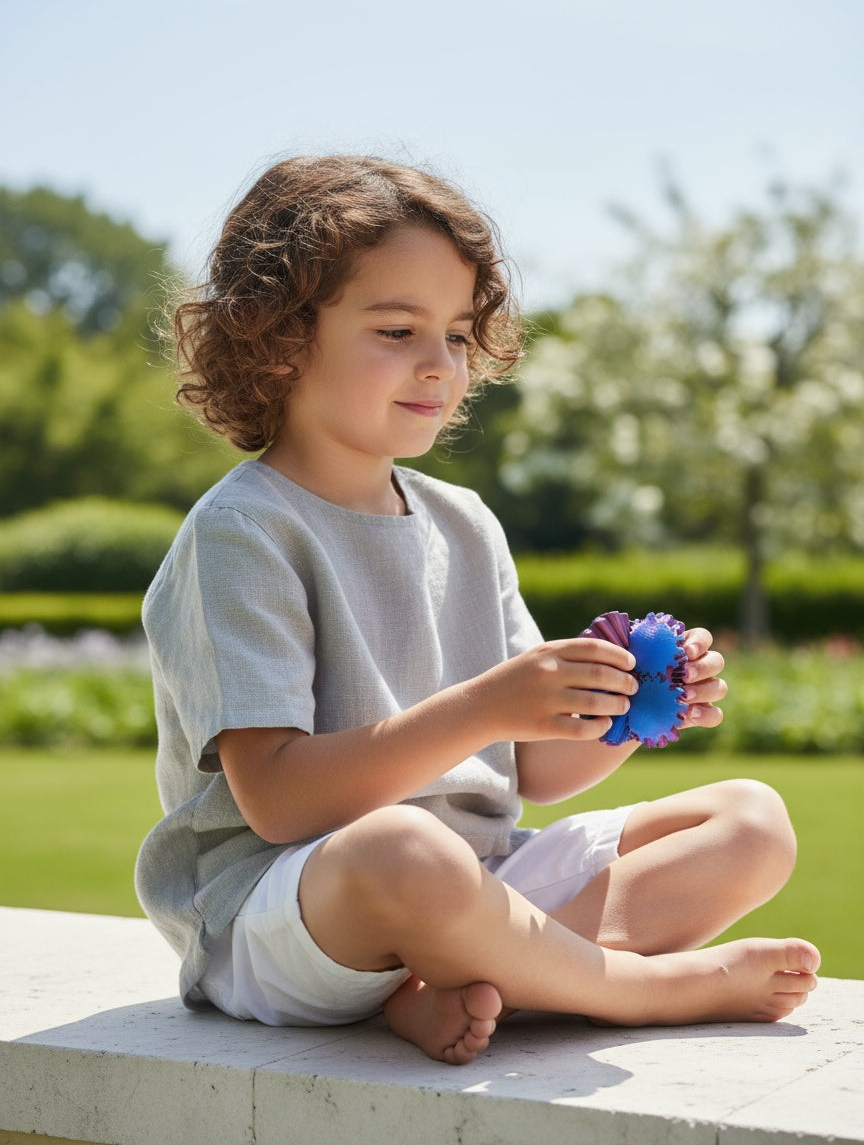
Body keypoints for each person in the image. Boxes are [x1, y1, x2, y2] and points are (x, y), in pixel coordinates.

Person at [135, 155, 819, 1066]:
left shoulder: (462, 522)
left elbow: (534, 769)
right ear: (280, 340)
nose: (439, 365)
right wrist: (488, 704)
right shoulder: (244, 532)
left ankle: (444, 990)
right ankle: (635, 989)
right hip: (291, 909)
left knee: (752, 821)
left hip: (476, 883)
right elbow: (280, 803)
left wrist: (624, 711)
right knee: (406, 853)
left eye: (457, 335)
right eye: (397, 329)